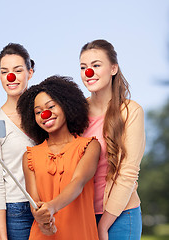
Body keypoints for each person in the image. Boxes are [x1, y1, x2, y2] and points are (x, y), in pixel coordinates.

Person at [17, 75, 100, 240]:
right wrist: (42, 220)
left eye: (50, 107)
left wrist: (52, 207)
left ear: (66, 105)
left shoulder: (89, 146)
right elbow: (35, 203)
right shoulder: (30, 156)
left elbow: (78, 182)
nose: (45, 114)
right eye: (38, 112)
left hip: (81, 234)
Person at [79, 39, 145, 240]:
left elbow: (128, 172)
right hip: (82, 215)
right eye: (83, 67)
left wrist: (104, 225)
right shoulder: (76, 112)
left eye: (96, 65)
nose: (89, 72)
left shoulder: (131, 111)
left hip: (121, 216)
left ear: (113, 68)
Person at [0, 43, 35, 240]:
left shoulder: (45, 115)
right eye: (5, 72)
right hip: (16, 212)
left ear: (30, 73)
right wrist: (2, 237)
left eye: (17, 70)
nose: (10, 77)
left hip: (50, 206)